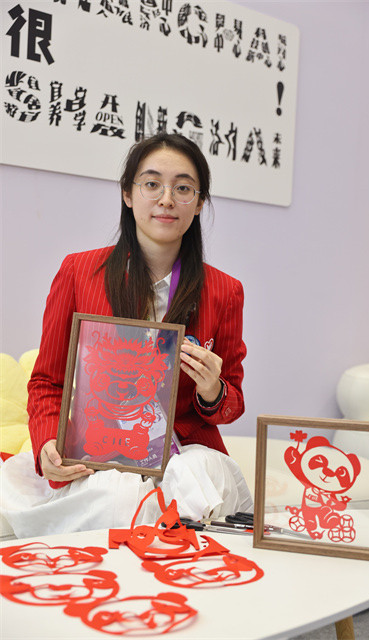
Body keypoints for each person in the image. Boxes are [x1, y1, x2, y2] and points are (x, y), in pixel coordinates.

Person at [1, 133, 252, 537]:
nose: (166, 199)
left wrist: (212, 390)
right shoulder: (79, 273)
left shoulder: (225, 291)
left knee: (194, 476)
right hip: (99, 451)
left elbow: (231, 403)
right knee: (115, 495)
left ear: (199, 202)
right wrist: (49, 444)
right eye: (152, 184)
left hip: (183, 455)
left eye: (183, 188)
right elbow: (48, 382)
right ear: (128, 194)